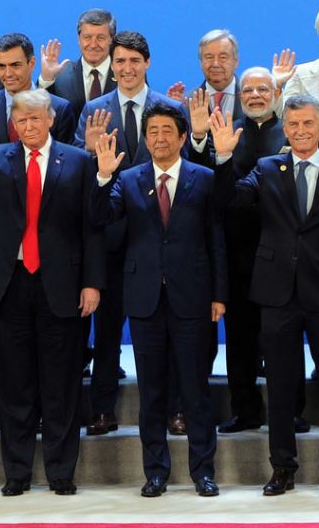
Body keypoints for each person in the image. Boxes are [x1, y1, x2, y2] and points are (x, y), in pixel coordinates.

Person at [0, 89, 104, 496]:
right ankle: (16, 473)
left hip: (62, 285)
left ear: (51, 119)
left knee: (61, 385)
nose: (30, 126)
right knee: (13, 384)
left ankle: (60, 472)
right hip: (9, 284)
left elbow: (92, 227)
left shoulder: (78, 161)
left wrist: (91, 283)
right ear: (13, 124)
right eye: (22, 120)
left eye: (37, 118)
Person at [210, 96, 319, 496]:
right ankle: (282, 467)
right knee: (279, 386)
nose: (300, 131)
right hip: (277, 294)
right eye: (293, 124)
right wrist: (223, 159)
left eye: (308, 124)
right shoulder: (266, 168)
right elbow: (231, 203)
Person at [90, 105, 229, 496]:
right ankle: (155, 472)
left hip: (193, 297)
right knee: (150, 391)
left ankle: (203, 472)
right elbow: (100, 219)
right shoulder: (127, 179)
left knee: (195, 390)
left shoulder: (204, 178)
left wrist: (219, 294)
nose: (160, 138)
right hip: (144, 298)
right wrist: (102, 177)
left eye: (168, 130)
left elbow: (216, 239)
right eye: (152, 131)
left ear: (183, 137)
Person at [74, 30, 182, 435]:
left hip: (160, 239)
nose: (126, 68)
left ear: (147, 63)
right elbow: (76, 175)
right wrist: (88, 151)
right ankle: (102, 409)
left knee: (167, 331)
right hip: (110, 239)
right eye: (119, 61)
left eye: (134, 61)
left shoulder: (170, 108)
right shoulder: (94, 110)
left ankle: (174, 409)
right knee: (106, 332)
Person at [189, 67, 294, 434]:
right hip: (236, 252)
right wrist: (204, 142)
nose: (255, 95)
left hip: (284, 251)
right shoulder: (226, 129)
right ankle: (245, 410)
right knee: (239, 338)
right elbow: (204, 183)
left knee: (283, 339)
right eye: (248, 90)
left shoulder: (291, 130)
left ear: (276, 94)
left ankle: (291, 411)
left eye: (263, 89)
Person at [0, 33, 74, 146]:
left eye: (15, 65)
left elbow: (67, 154)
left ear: (31, 64)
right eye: (2, 66)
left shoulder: (59, 109)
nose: (8, 73)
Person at [39, 7, 117, 124]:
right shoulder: (61, 76)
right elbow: (42, 115)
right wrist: (47, 80)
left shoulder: (125, 74)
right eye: (87, 37)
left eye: (100, 38)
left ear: (112, 39)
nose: (93, 44)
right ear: (79, 39)